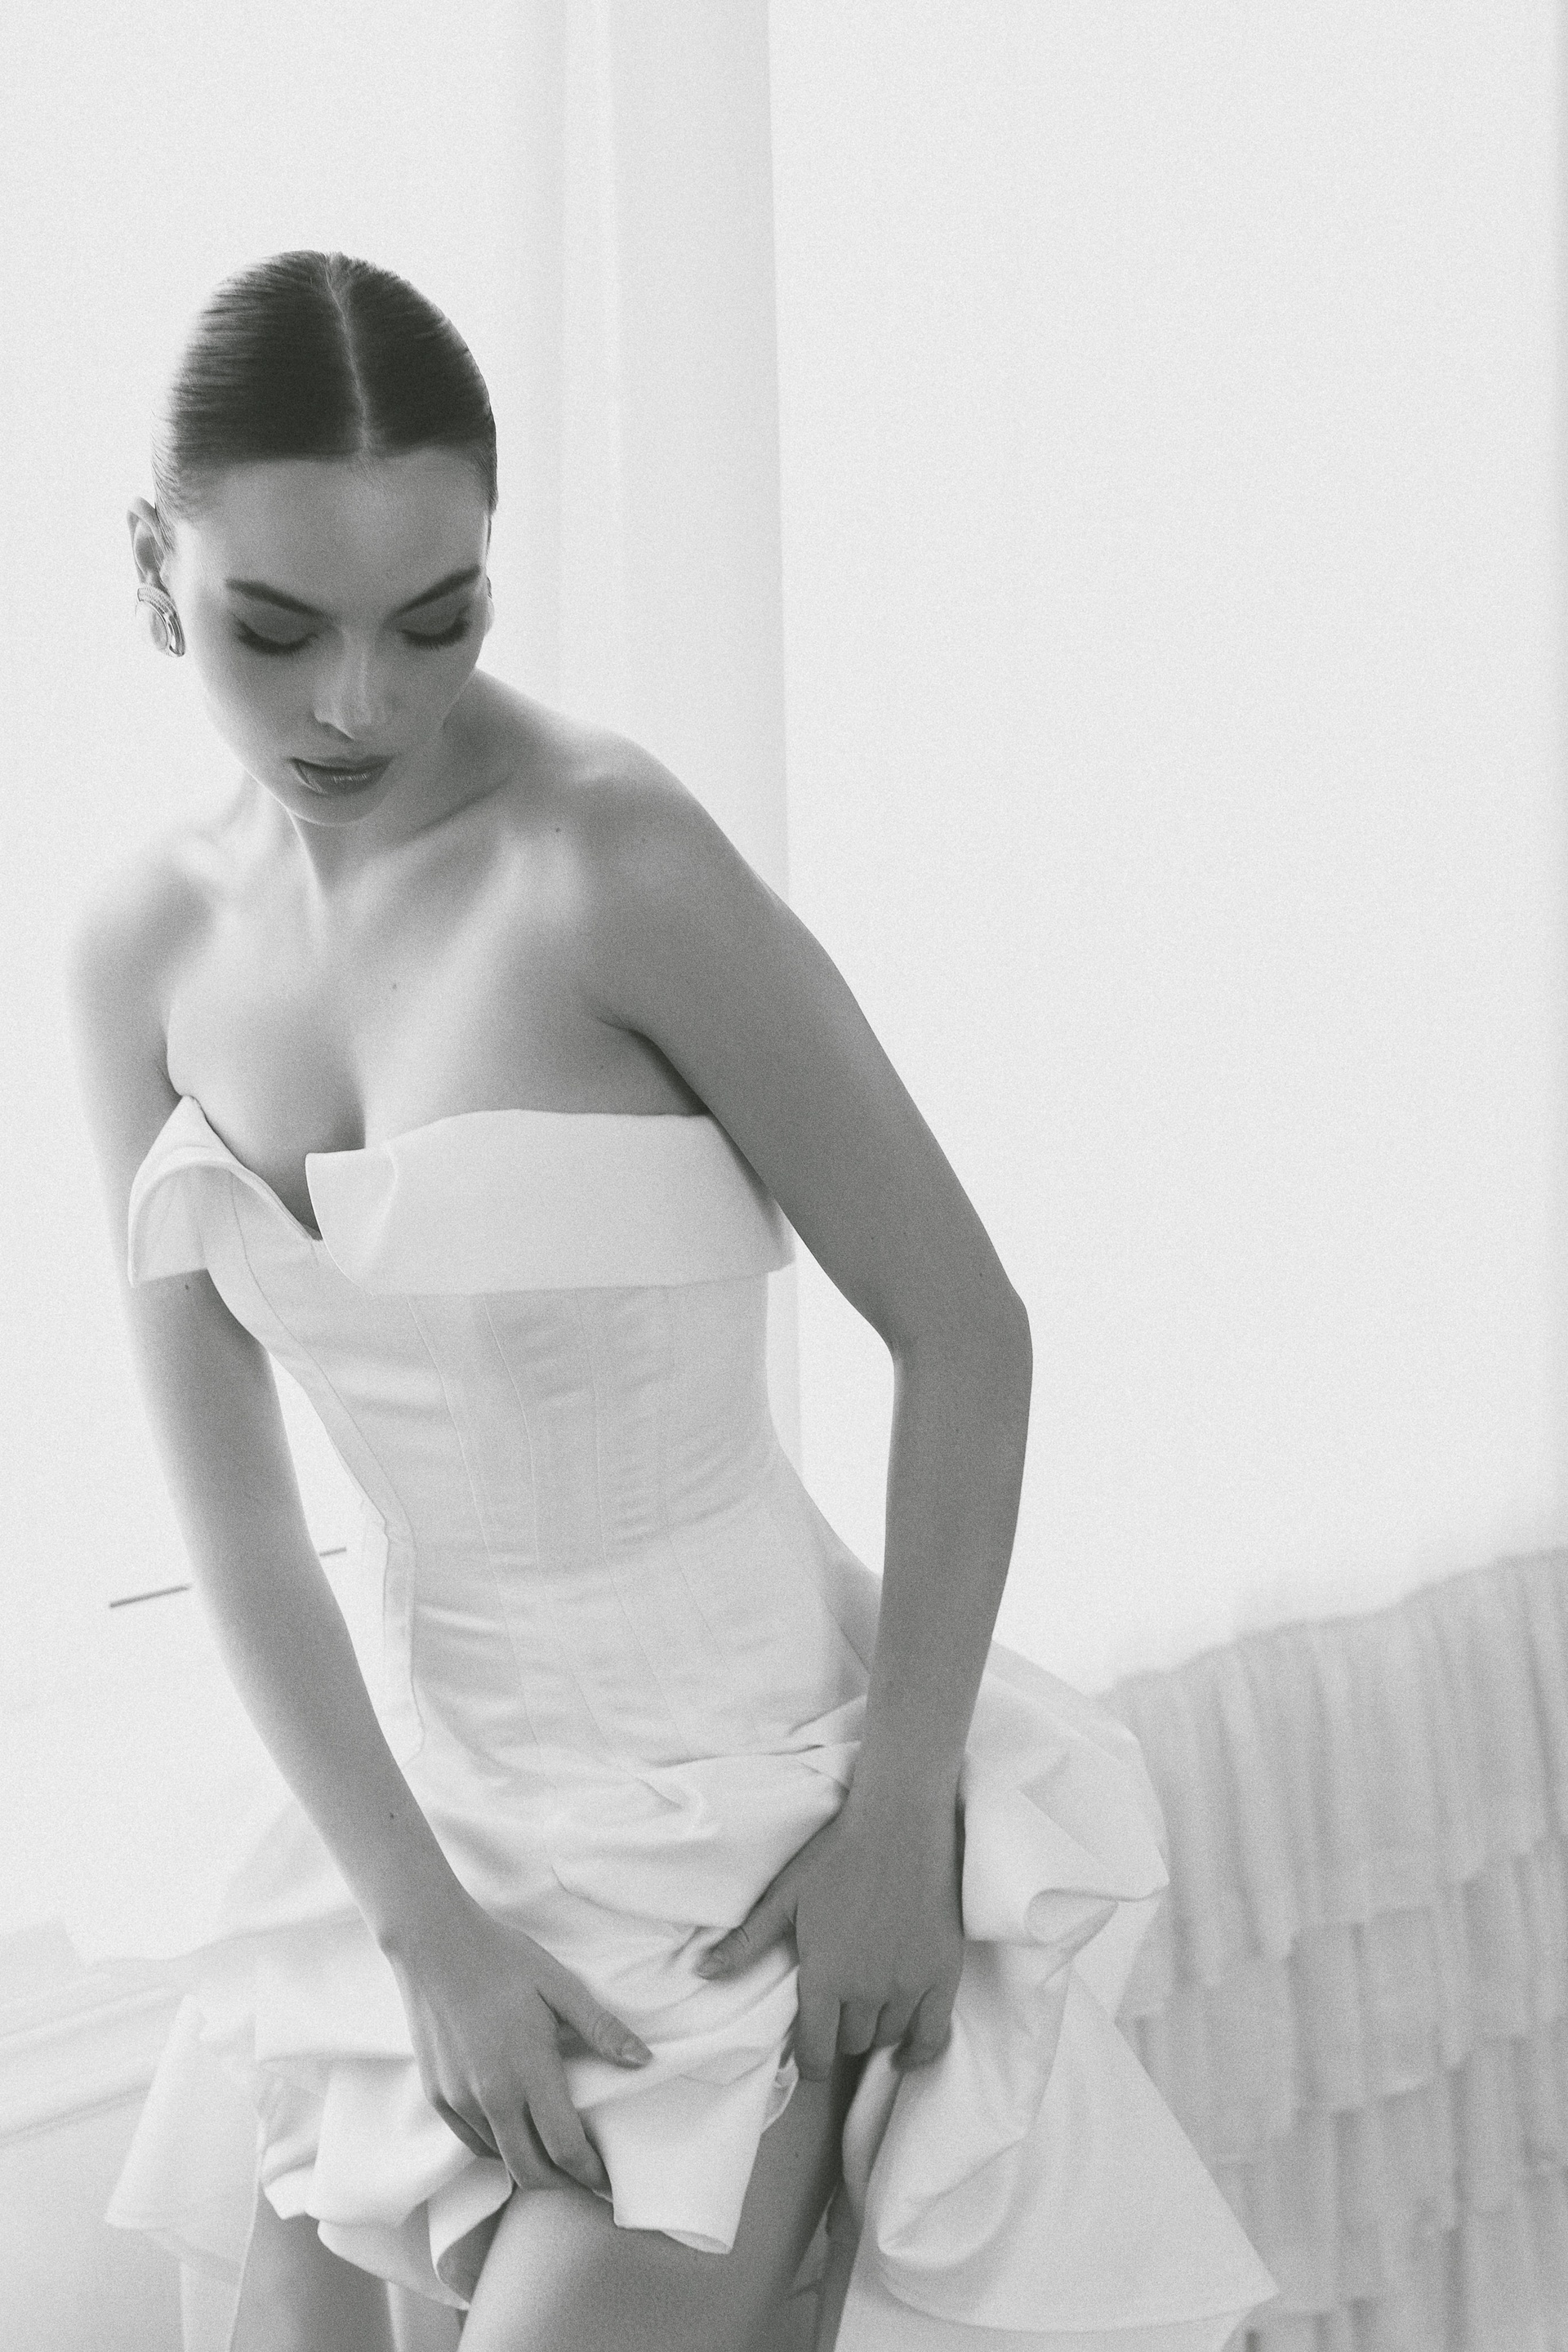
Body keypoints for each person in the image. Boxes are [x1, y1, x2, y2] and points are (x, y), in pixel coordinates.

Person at [68, 252, 1277, 2352]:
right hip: (410, 1838)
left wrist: (900, 1816)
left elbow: (967, 1327)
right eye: (279, 629)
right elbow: (236, 1511)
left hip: (742, 1840)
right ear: (153, 571)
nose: (361, 702)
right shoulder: (136, 947)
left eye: (436, 619)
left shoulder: (615, 864)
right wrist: (422, 1930)